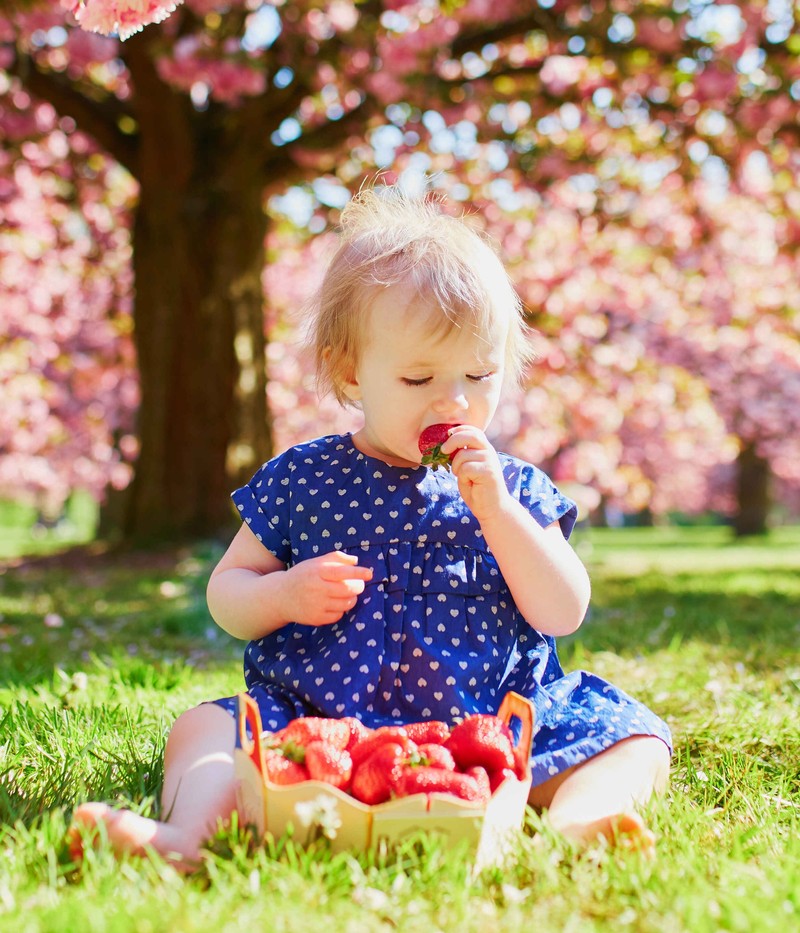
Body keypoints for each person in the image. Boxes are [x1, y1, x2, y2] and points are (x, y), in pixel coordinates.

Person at [69, 186, 671, 869]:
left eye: (480, 373)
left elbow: (564, 609)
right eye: (418, 377)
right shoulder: (303, 479)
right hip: (320, 730)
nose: (455, 399)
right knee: (203, 729)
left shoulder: (515, 488)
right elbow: (226, 593)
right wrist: (283, 594)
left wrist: (499, 514)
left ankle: (581, 820)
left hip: (486, 733)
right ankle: (187, 838)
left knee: (631, 733)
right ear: (348, 370)